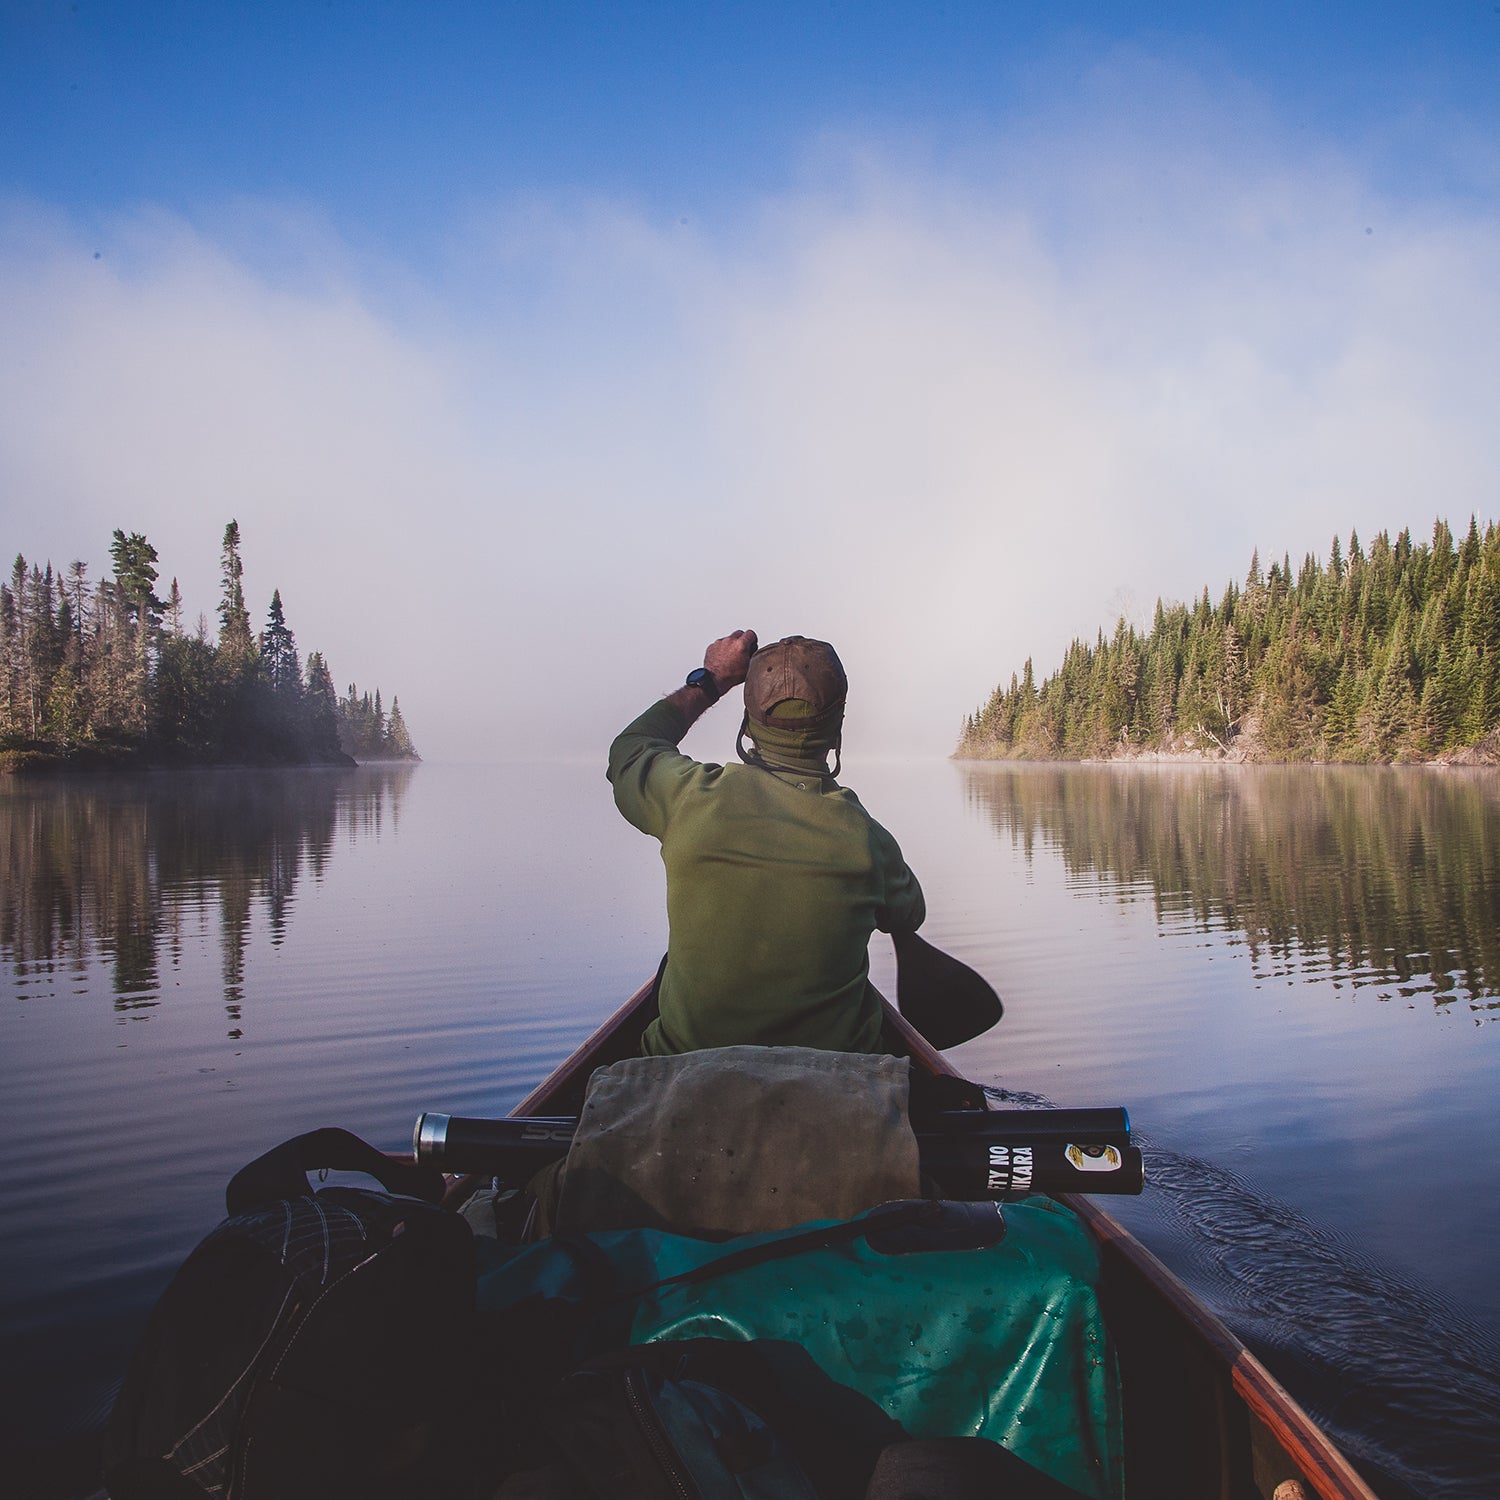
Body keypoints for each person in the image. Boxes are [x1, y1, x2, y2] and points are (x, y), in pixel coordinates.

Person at [607, 630, 926, 1056]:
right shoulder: (869, 840)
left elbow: (630, 749)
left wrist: (712, 679)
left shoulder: (687, 797)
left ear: (749, 724)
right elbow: (908, 914)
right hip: (835, 1079)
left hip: (684, 1067)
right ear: (837, 728)